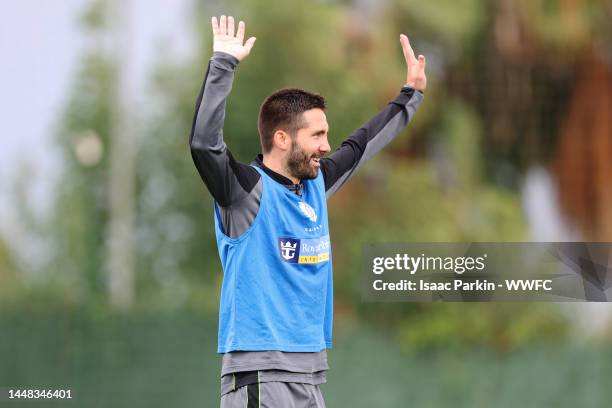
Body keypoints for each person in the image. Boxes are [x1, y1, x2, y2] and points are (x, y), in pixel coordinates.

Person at [189, 14, 426, 408]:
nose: (326, 145)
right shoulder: (244, 192)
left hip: (310, 372)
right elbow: (203, 145)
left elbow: (363, 143)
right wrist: (223, 66)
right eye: (317, 135)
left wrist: (410, 95)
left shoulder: (315, 186)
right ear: (282, 138)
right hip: (261, 373)